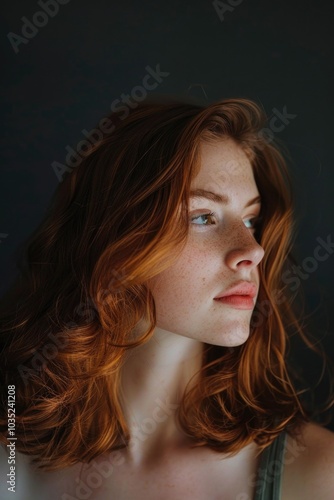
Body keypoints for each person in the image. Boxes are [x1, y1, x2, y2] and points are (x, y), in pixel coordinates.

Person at [0, 96, 334, 500]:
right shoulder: (13, 460)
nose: (253, 250)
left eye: (251, 220)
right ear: (116, 238)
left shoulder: (317, 472)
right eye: (203, 216)